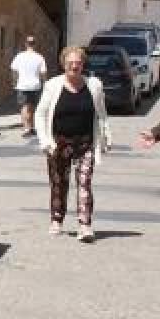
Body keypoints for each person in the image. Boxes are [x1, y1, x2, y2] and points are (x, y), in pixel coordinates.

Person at [35, 46, 111, 243]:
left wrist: (105, 138)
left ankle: (85, 225)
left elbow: (101, 114)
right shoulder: (52, 85)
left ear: (83, 65)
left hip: (85, 143)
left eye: (78, 63)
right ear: (64, 64)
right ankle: (57, 219)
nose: (74, 66)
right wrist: (44, 140)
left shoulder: (94, 86)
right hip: (58, 143)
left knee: (84, 183)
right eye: (70, 63)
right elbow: (40, 114)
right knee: (59, 183)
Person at [11, 34, 48, 137]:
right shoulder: (39, 57)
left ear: (25, 44)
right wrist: (45, 84)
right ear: (35, 44)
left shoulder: (19, 56)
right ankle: (31, 127)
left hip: (22, 85)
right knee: (32, 107)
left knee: (24, 106)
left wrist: (14, 82)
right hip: (35, 85)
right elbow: (43, 73)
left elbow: (14, 70)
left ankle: (26, 128)